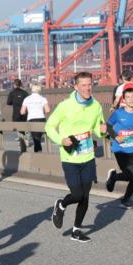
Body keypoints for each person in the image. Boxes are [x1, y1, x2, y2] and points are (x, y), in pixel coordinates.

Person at [45, 72, 106, 243]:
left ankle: (76, 230)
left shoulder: (96, 106)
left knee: (85, 196)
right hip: (70, 157)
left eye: (90, 84)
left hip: (88, 156)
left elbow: (98, 129)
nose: (88, 88)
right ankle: (61, 205)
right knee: (77, 194)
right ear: (76, 87)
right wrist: (60, 140)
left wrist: (103, 131)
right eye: (84, 85)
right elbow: (49, 126)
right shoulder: (65, 106)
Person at [106, 85, 133, 208]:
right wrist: (115, 136)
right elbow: (108, 125)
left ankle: (125, 200)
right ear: (123, 99)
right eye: (127, 97)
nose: (131, 99)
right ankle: (114, 177)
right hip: (120, 149)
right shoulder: (118, 113)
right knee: (129, 174)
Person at [20, 83, 51, 153]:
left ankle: (38, 155)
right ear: (39, 89)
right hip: (41, 119)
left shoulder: (27, 99)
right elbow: (47, 110)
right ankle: (41, 153)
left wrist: (30, 110)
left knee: (36, 139)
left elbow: (22, 112)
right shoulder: (43, 98)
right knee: (39, 138)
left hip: (32, 119)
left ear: (32, 89)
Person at [6, 78, 30, 151]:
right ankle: (26, 140)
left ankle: (21, 142)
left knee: (19, 129)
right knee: (25, 128)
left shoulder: (12, 93)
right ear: (20, 85)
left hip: (16, 113)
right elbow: (28, 102)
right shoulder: (25, 93)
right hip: (25, 113)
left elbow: (8, 102)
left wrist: (14, 101)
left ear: (14, 85)